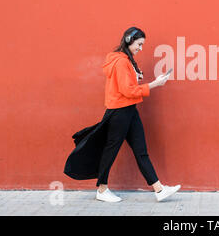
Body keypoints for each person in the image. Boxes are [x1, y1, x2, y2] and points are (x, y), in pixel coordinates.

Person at [64, 26, 180, 202]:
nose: (140, 48)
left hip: (129, 110)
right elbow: (127, 91)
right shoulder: (120, 62)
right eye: (139, 44)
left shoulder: (126, 59)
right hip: (120, 112)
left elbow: (126, 86)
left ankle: (159, 189)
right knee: (110, 150)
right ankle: (102, 190)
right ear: (128, 40)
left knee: (141, 150)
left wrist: (137, 77)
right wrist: (155, 84)